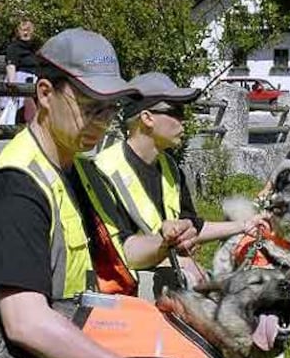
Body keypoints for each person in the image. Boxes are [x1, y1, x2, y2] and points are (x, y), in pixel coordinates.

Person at [0, 28, 211, 358]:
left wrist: (162, 242)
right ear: (45, 94)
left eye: (109, 111)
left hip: (75, 332)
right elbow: (24, 323)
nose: (102, 124)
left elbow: (124, 253)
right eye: (90, 108)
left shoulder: (82, 167)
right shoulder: (15, 187)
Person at [94, 71, 268, 286]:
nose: (185, 120)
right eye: (176, 112)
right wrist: (170, 248)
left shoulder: (170, 167)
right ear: (147, 118)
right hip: (124, 287)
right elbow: (118, 253)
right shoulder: (104, 170)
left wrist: (244, 225)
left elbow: (193, 225)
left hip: (167, 272)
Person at [0, 18, 39, 125]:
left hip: (34, 82)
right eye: (23, 30)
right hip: (21, 80)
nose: (26, 32)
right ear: (18, 31)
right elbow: (11, 65)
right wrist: (12, 84)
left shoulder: (35, 48)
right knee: (19, 113)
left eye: (28, 29)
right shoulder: (14, 47)